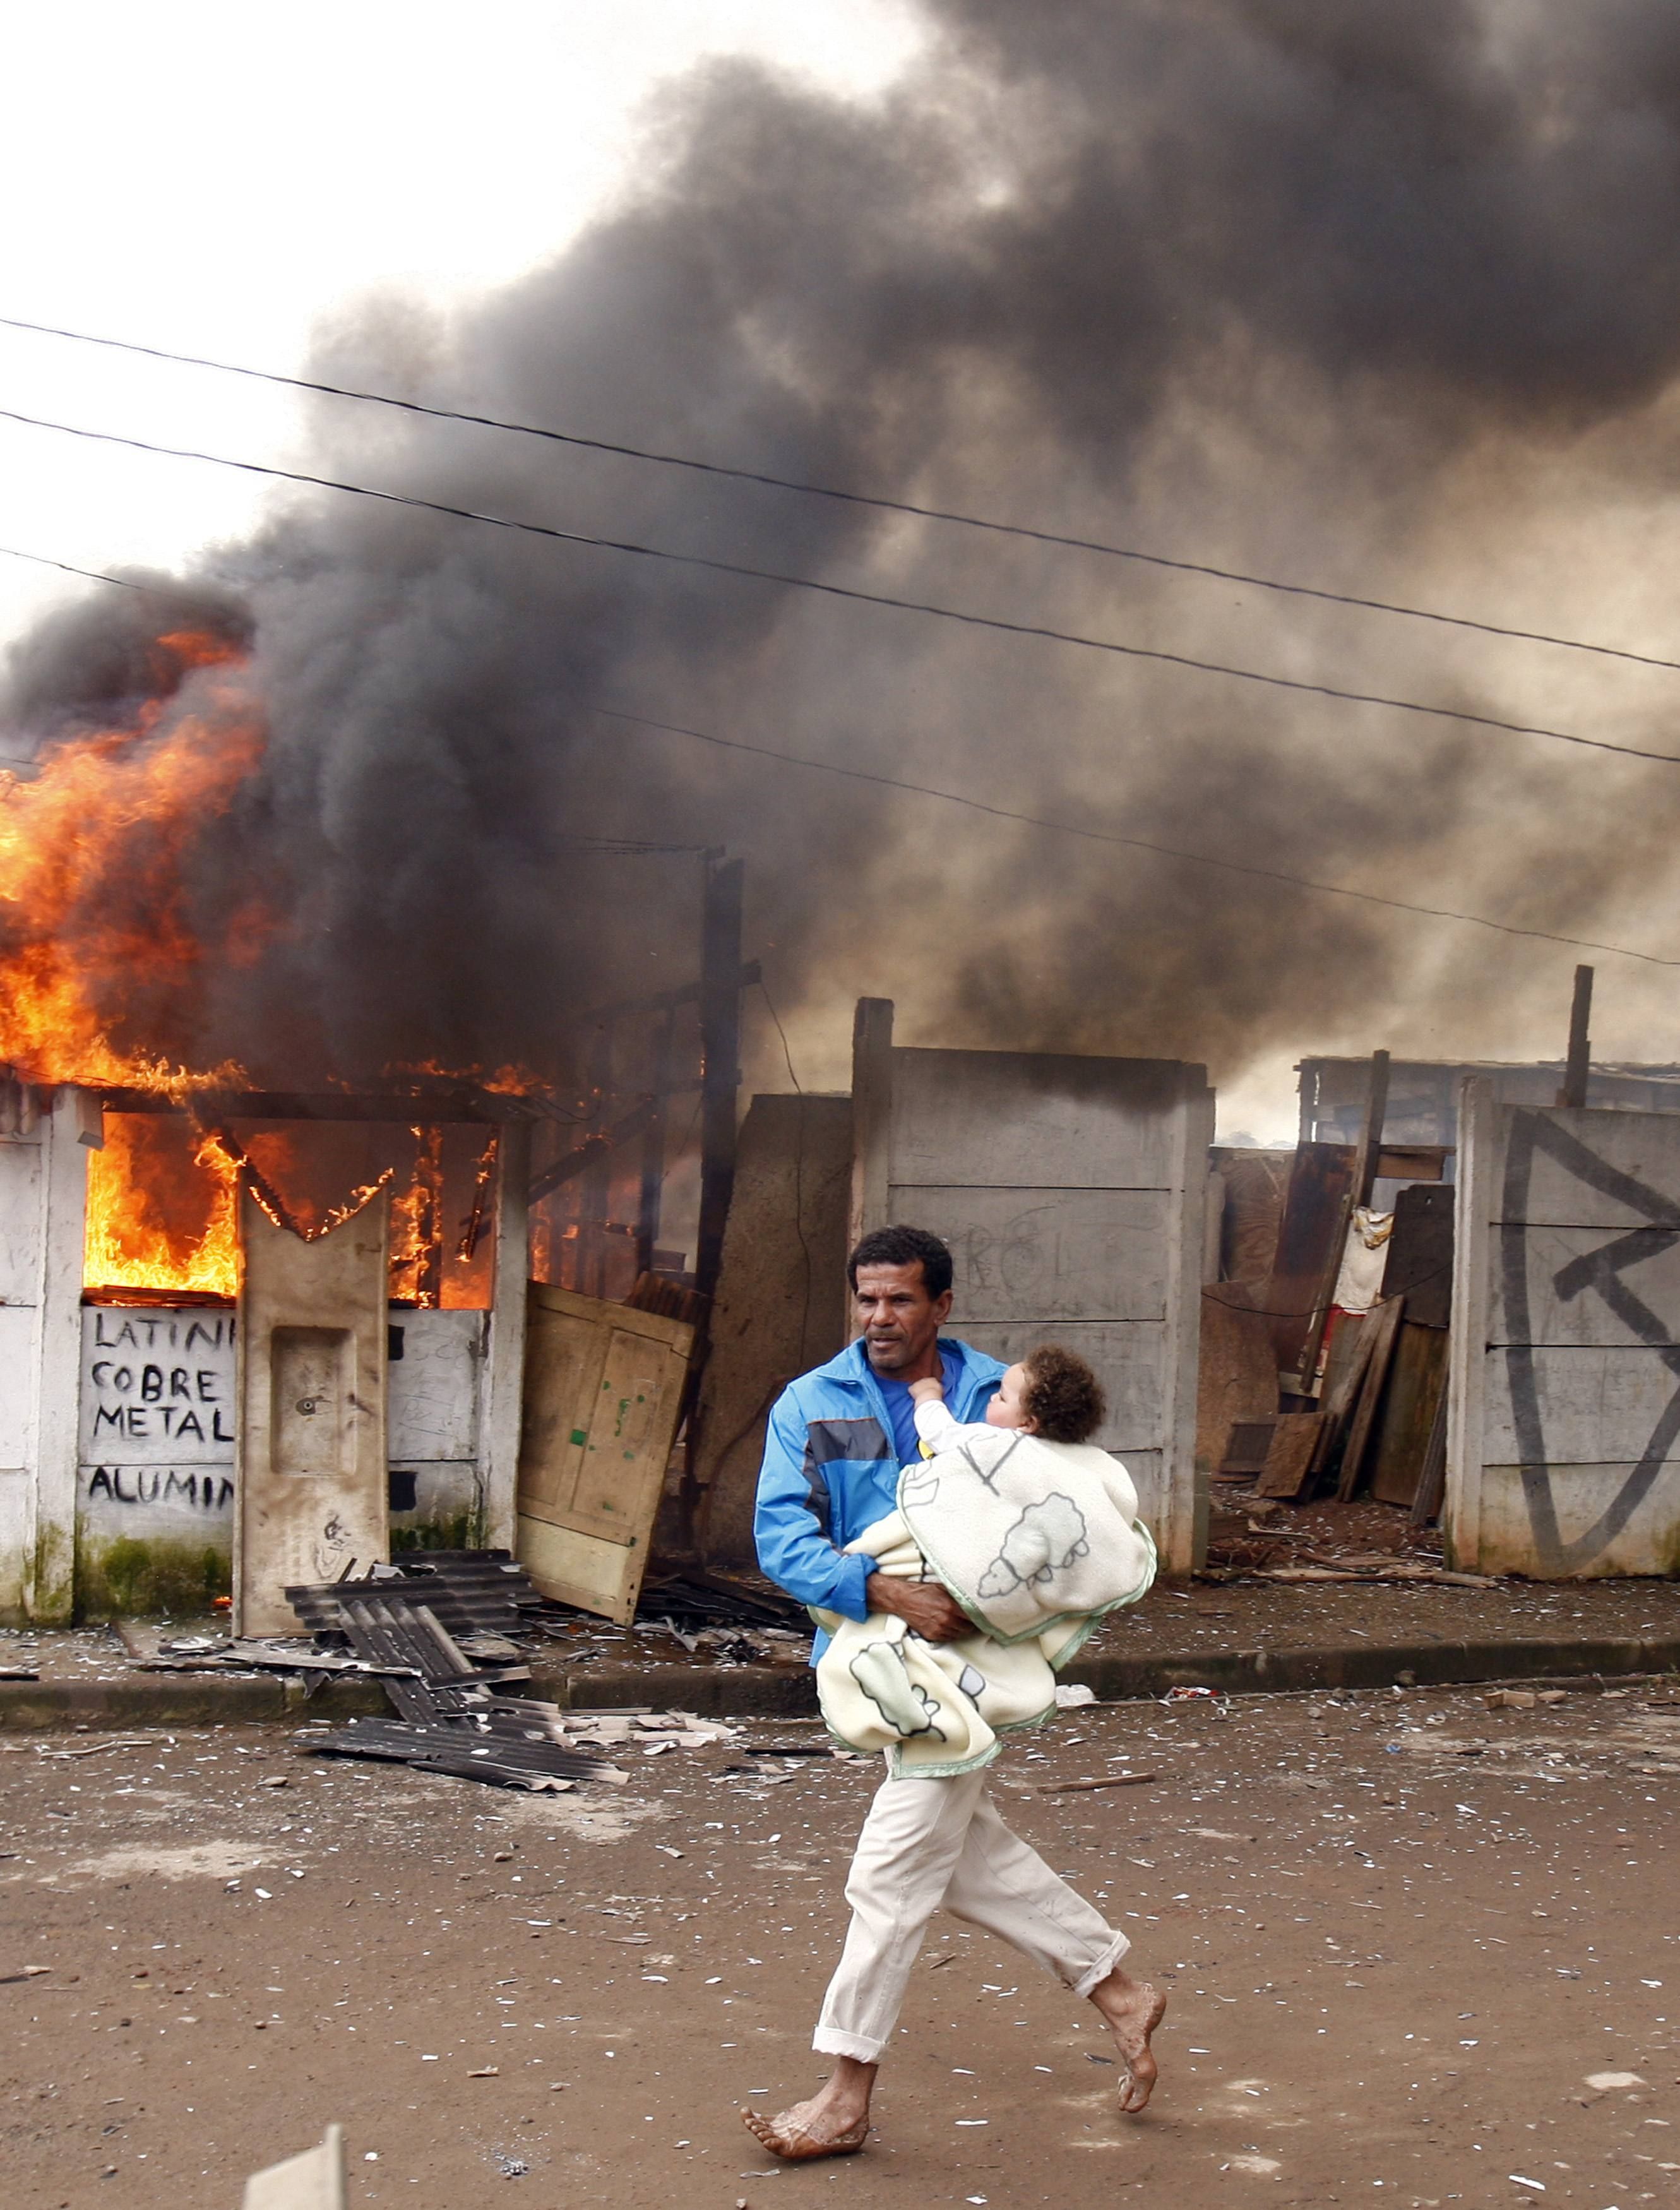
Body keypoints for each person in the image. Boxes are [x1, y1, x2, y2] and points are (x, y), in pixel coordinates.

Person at [746, 1224, 1165, 2163]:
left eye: (899, 1300)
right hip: (875, 1655)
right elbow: (781, 1540)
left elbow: (1062, 1519)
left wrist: (986, 1603)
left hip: (966, 1671)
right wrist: (885, 1591)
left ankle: (845, 2094)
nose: (878, 1317)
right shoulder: (808, 1403)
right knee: (966, 1858)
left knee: (888, 1877)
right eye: (865, 1298)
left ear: (941, 1305)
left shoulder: (994, 1394)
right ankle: (1118, 1989)